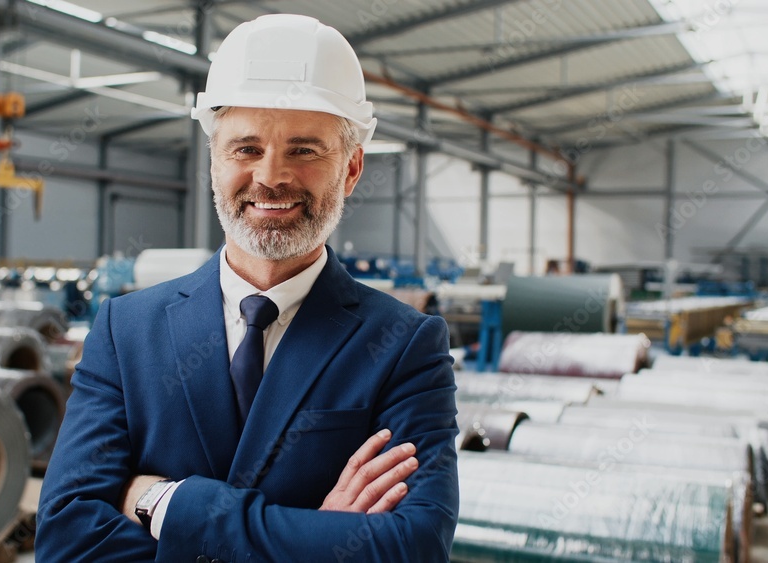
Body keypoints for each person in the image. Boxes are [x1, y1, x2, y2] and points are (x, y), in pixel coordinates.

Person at [36, 14, 458, 562]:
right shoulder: (127, 331)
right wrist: (314, 537)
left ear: (352, 169)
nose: (270, 176)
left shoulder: (405, 346)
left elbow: (414, 548)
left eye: (305, 150)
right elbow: (67, 540)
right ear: (214, 160)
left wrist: (168, 503)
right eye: (246, 148)